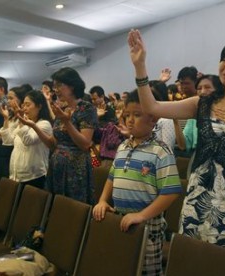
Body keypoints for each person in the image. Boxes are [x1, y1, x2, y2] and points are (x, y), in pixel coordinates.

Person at [127, 29, 225, 276]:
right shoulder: (202, 103)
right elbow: (152, 106)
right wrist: (140, 66)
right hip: (200, 201)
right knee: (198, 265)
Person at [93, 90, 181, 275]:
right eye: (127, 115)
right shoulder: (123, 146)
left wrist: (141, 215)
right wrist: (102, 200)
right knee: (123, 266)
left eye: (137, 114)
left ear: (153, 118)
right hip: (121, 219)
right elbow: (112, 177)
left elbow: (171, 192)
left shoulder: (161, 151)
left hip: (148, 225)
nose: (130, 120)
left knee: (145, 270)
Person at [44, 67, 98, 204]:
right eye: (54, 85)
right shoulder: (62, 109)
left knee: (73, 210)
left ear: (72, 86)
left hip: (75, 169)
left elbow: (85, 144)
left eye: (59, 85)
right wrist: (32, 126)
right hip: (57, 166)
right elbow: (54, 143)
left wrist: (66, 121)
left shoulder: (86, 108)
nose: (55, 89)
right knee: (55, 207)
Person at [0, 90, 53, 188]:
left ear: (39, 106)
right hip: (16, 175)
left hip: (34, 176)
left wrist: (21, 120)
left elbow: (28, 140)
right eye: (23, 105)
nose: (24, 108)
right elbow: (8, 141)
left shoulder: (44, 124)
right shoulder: (25, 123)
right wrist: (6, 118)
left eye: (28, 105)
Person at [174, 75, 222, 157]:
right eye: (199, 88)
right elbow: (183, 146)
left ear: (219, 90)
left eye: (207, 87)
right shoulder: (195, 116)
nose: (203, 91)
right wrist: (174, 119)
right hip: (199, 159)